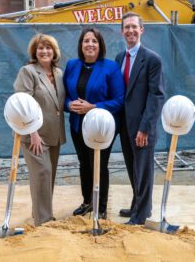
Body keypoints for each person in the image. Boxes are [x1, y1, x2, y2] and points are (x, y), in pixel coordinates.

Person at [63, 27, 125, 219]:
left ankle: (102, 207)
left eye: (94, 41)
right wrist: (69, 104)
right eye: (86, 41)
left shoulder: (110, 67)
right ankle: (87, 201)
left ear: (100, 46)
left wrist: (93, 106)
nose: (90, 44)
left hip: (101, 127)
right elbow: (64, 96)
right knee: (84, 164)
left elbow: (119, 100)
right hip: (77, 124)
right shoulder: (72, 65)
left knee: (99, 164)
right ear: (81, 45)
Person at [115, 12, 165, 225]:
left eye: (134, 27)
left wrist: (145, 128)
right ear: (122, 31)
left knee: (143, 171)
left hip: (142, 127)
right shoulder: (119, 58)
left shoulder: (152, 59)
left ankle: (141, 214)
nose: (130, 31)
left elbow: (157, 95)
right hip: (125, 126)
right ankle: (138, 205)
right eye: (127, 27)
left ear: (141, 30)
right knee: (132, 168)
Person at [14, 34, 66, 226]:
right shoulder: (27, 72)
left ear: (54, 51)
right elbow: (22, 104)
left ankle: (41, 213)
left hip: (54, 134)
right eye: (40, 48)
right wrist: (32, 133)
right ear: (34, 52)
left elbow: (58, 103)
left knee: (48, 175)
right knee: (42, 173)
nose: (44, 51)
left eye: (48, 48)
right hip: (34, 136)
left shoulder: (59, 73)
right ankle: (44, 221)